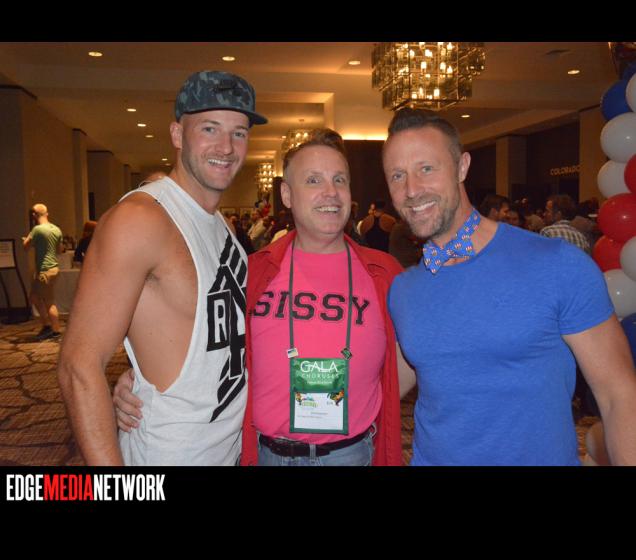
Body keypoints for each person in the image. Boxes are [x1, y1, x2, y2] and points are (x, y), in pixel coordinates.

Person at [115, 129, 414, 466]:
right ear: (286, 194)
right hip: (268, 454)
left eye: (339, 180)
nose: (330, 192)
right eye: (313, 180)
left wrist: (366, 396)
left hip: (349, 455)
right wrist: (138, 381)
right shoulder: (252, 272)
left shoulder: (383, 273)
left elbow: (413, 359)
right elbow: (201, 343)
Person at [383, 107, 636, 466]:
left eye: (426, 168)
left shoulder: (556, 264)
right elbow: (387, 384)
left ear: (461, 167)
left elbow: (618, 395)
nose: (411, 189)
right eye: (397, 175)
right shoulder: (405, 289)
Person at [57, 70, 268, 466]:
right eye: (210, 128)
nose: (226, 146)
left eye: (239, 132)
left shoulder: (219, 224)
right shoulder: (139, 219)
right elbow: (78, 366)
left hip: (227, 452)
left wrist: (137, 377)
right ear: (177, 134)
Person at [23, 203, 64, 341]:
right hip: (53, 269)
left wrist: (26, 240)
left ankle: (55, 331)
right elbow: (60, 250)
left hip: (45, 270)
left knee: (49, 301)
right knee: (34, 297)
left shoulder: (37, 230)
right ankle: (47, 326)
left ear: (34, 215)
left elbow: (26, 247)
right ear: (47, 213)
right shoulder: (56, 229)